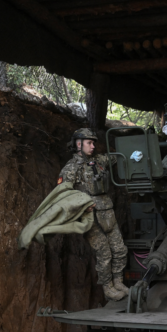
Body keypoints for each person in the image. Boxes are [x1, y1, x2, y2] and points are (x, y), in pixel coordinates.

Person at [58, 128, 129, 302]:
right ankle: (108, 288)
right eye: (89, 143)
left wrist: (131, 151)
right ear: (78, 144)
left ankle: (118, 281)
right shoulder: (70, 169)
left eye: (93, 143)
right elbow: (63, 195)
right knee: (104, 254)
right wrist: (82, 207)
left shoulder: (98, 160)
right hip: (89, 218)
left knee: (120, 250)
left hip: (107, 213)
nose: (93, 146)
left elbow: (116, 157)